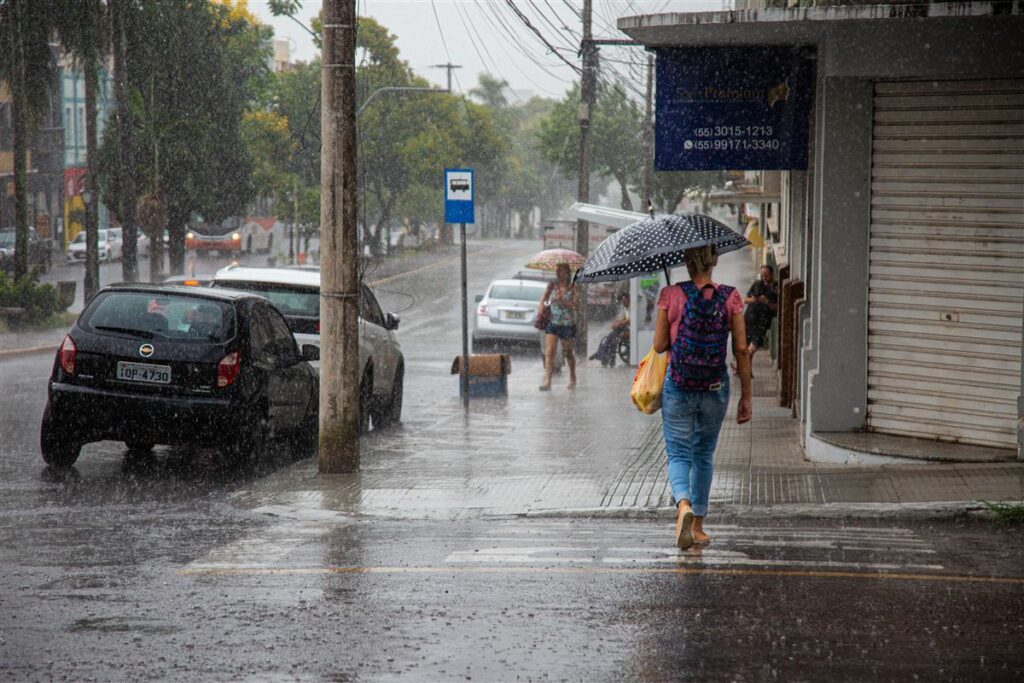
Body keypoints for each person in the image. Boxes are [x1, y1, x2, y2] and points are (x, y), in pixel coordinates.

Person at [653, 246, 752, 550]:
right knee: (703, 454)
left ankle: (683, 505)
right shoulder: (731, 297)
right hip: (714, 387)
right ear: (715, 261)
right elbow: (740, 349)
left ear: (686, 262)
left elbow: (658, 346)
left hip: (679, 386)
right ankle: (698, 526)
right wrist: (746, 395)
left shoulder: (671, 294)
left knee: (679, 454)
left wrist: (672, 320)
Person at [538, 263, 579, 391]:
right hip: (553, 322)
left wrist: (564, 300)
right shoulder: (552, 285)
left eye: (561, 271)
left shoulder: (573, 287)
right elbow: (543, 300)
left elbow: (576, 306)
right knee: (549, 352)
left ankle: (572, 376)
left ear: (567, 273)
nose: (558, 273)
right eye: (557, 271)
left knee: (568, 353)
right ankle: (548, 381)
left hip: (567, 324)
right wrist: (542, 307)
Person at [742, 265, 779, 369]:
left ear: (772, 274)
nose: (764, 279)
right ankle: (745, 370)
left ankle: (740, 366)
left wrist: (767, 302)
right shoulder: (757, 284)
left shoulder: (777, 287)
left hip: (762, 322)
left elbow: (779, 307)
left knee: (753, 347)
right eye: (762, 276)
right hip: (750, 318)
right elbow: (745, 300)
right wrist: (756, 300)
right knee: (748, 346)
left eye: (766, 276)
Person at [590, 292, 630, 367]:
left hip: (629, 330)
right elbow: (625, 318)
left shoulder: (632, 308)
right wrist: (617, 322)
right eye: (622, 301)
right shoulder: (626, 308)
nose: (622, 303)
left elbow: (630, 320)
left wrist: (620, 323)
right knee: (608, 338)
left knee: (613, 339)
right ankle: (603, 355)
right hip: (625, 328)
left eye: (623, 300)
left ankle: (605, 356)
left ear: (627, 300)